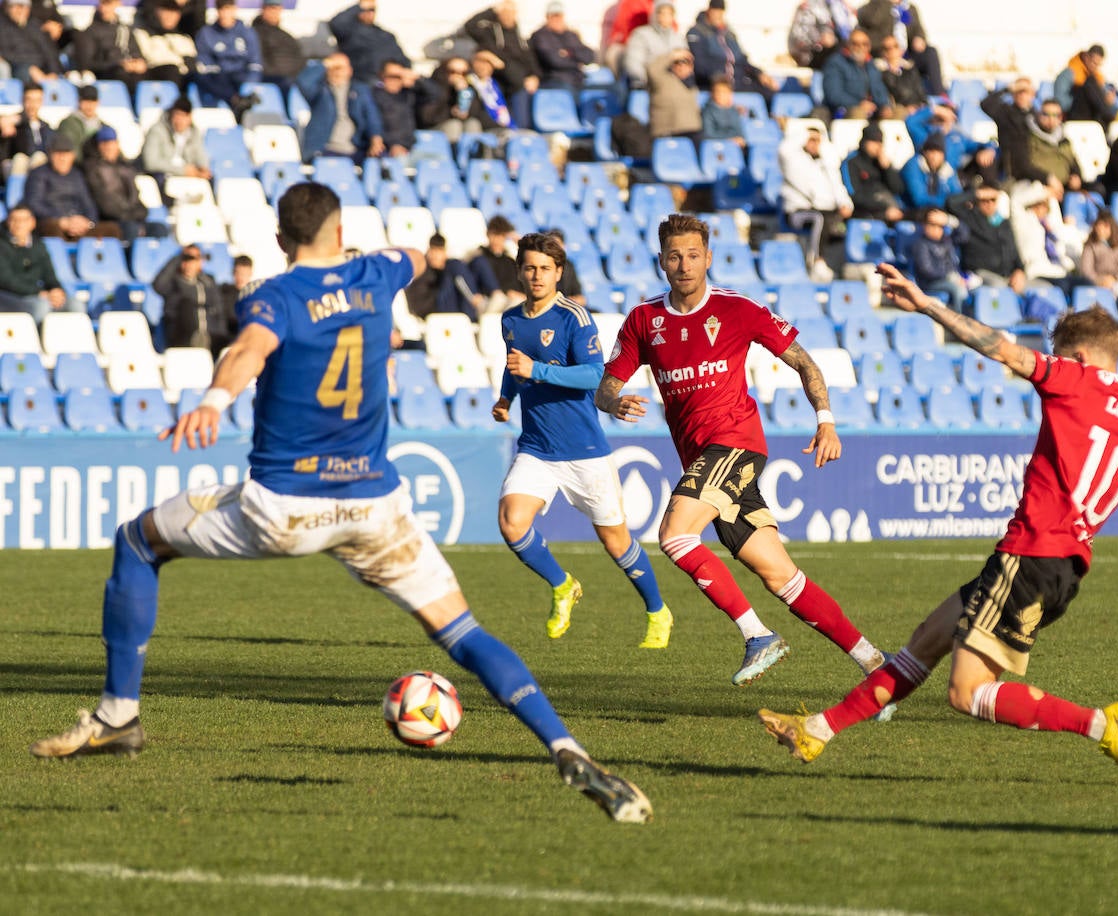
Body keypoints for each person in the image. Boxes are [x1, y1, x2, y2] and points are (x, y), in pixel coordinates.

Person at [27, 183, 652, 824]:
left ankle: (118, 716)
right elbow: (411, 253)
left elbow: (248, 350)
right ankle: (565, 746)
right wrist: (363, 259)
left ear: (278, 241)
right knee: (464, 633)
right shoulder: (376, 272)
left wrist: (214, 401)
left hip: (284, 506)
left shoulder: (273, 295)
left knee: (138, 540)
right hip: (374, 506)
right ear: (341, 230)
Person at [758, 262, 1118, 780]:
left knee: (966, 694)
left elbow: (998, 347)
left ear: (1080, 356)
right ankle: (816, 731)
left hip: (1030, 555)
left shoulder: (1074, 381)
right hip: (1061, 564)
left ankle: (1101, 725)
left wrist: (928, 305)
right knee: (926, 641)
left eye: (1062, 356)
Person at [596, 213, 890, 687]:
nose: (684, 265)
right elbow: (605, 387)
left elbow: (805, 362)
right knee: (780, 576)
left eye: (693, 255)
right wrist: (613, 401)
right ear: (661, 262)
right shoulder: (644, 321)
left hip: (736, 444)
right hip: (703, 462)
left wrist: (826, 421)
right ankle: (875, 662)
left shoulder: (739, 309)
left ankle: (756, 635)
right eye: (674, 256)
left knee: (675, 536)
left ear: (709, 258)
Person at [491, 233, 674, 648]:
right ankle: (562, 584)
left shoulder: (575, 317)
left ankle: (657, 610)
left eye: (545, 269)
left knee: (616, 541)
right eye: (530, 267)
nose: (536, 275)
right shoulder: (510, 320)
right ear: (519, 270)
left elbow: (595, 375)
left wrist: (536, 370)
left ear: (558, 273)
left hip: (584, 451)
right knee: (511, 521)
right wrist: (506, 397)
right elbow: (513, 366)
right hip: (536, 447)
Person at [779, 126, 852, 279]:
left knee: (841, 220)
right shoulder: (793, 159)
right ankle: (817, 261)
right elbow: (783, 150)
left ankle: (842, 265)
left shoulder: (826, 163)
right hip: (796, 212)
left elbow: (837, 186)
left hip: (824, 210)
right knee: (819, 218)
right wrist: (803, 135)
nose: (814, 144)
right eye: (811, 140)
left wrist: (845, 203)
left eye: (818, 140)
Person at [22, 133, 116, 241]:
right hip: (53, 222)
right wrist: (62, 220)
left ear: (72, 155)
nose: (62, 158)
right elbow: (34, 203)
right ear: (50, 155)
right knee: (52, 228)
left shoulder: (77, 175)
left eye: (66, 154)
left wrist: (88, 222)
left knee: (112, 229)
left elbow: (88, 204)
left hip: (79, 224)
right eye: (58, 153)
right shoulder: (38, 174)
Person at [464, 0, 541, 129]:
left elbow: (530, 59)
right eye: (505, 13)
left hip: (520, 84)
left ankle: (521, 133)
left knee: (523, 117)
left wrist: (534, 76)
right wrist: (492, 11)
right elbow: (470, 26)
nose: (508, 16)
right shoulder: (490, 34)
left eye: (511, 12)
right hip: (500, 83)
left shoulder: (520, 36)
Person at [297, 53, 385, 163]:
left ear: (350, 71)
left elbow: (371, 115)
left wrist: (375, 137)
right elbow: (303, 81)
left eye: (340, 68)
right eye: (333, 68)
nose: (337, 72)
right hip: (325, 150)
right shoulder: (320, 91)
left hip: (355, 149)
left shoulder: (360, 90)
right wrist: (327, 63)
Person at [153, 243, 233, 355]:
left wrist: (221, 333)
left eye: (194, 259)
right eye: (186, 259)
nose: (190, 263)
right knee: (188, 305)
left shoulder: (208, 282)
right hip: (183, 336)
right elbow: (158, 285)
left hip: (211, 337)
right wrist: (178, 257)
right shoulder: (173, 283)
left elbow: (219, 311)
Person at [686, 0, 776, 97]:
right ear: (709, 10)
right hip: (715, 84)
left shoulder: (729, 34)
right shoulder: (696, 32)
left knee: (769, 91)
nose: (718, 15)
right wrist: (721, 78)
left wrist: (759, 74)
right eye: (715, 11)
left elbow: (742, 61)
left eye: (721, 12)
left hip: (738, 82)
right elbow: (700, 65)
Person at [953, 181, 1026, 294]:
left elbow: (1014, 251)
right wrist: (977, 193)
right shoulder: (970, 218)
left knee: (1041, 288)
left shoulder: (1004, 223)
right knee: (1000, 288)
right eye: (985, 200)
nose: (989, 204)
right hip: (980, 274)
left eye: (993, 200)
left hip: (1007, 275)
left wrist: (1020, 271)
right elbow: (951, 203)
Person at [193, 0, 261, 117]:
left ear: (234, 9)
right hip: (219, 76)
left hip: (241, 75)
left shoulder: (247, 32)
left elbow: (255, 63)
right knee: (201, 77)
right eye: (221, 9)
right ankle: (236, 100)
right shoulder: (206, 33)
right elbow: (205, 62)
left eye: (227, 9)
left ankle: (241, 102)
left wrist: (249, 83)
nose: (224, 14)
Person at [0, 204, 66, 321]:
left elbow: (50, 276)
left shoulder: (39, 246)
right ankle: (38, 338)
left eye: (23, 220)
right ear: (8, 222)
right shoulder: (2, 245)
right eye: (14, 220)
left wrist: (56, 290)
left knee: (75, 304)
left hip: (36, 295)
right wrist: (39, 293)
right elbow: (6, 281)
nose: (19, 224)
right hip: (10, 297)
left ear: (32, 222)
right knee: (41, 306)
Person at [84, 126, 150, 241]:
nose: (108, 147)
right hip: (111, 219)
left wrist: (140, 213)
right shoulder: (93, 169)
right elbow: (104, 203)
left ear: (117, 144)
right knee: (130, 229)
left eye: (111, 143)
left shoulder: (126, 167)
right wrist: (129, 216)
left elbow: (136, 197)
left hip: (131, 216)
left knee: (158, 228)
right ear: (98, 146)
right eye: (104, 144)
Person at [329, 1, 410, 89]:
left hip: (386, 84)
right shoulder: (349, 32)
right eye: (366, 10)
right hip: (359, 83)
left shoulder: (385, 36)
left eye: (372, 10)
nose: (369, 13)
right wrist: (360, 6)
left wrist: (401, 72)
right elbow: (336, 23)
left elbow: (403, 61)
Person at [73, 0, 149, 90]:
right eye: (102, 3)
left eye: (108, 3)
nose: (103, 8)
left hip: (130, 73)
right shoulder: (89, 32)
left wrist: (139, 63)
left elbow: (137, 53)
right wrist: (118, 64)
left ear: (117, 4)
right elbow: (87, 64)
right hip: (108, 73)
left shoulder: (126, 29)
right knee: (122, 74)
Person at [406, 233, 480, 321]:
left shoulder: (441, 270)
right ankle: (475, 303)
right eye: (433, 251)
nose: (435, 255)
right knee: (455, 265)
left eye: (439, 251)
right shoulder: (422, 268)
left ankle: (475, 304)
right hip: (430, 309)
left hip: (440, 307)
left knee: (461, 267)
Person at [842, 122, 907, 223]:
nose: (878, 146)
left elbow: (898, 189)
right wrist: (883, 208)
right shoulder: (852, 162)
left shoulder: (882, 162)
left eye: (880, 142)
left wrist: (887, 168)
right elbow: (854, 194)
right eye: (874, 142)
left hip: (889, 208)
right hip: (865, 211)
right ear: (865, 142)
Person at [820, 28, 889, 120]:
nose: (861, 47)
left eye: (865, 44)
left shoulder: (871, 65)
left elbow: (880, 90)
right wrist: (859, 104)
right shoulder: (835, 63)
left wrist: (884, 106)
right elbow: (834, 95)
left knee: (897, 112)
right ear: (848, 45)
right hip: (844, 110)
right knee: (858, 113)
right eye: (855, 44)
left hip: (872, 110)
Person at [909, 205, 966, 311]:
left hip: (952, 279)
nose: (936, 229)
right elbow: (926, 270)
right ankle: (958, 322)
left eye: (940, 226)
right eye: (932, 225)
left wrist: (948, 219)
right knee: (958, 289)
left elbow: (964, 234)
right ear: (924, 225)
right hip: (930, 283)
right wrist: (949, 276)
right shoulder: (921, 244)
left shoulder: (947, 241)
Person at [530, 1, 595, 91]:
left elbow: (590, 56)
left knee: (606, 90)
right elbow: (555, 61)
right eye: (554, 16)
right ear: (547, 17)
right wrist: (577, 62)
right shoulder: (540, 36)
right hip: (554, 81)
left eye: (559, 15)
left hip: (578, 79)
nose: (557, 19)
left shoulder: (571, 35)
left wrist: (569, 52)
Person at [134, 0, 198, 89]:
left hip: (184, 78)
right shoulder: (143, 35)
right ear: (157, 12)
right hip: (158, 76)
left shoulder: (185, 39)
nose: (169, 17)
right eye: (166, 12)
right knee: (172, 70)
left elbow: (192, 63)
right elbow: (149, 61)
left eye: (173, 13)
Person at [622, 0, 685, 89]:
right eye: (661, 13)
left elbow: (685, 64)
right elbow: (634, 63)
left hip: (673, 87)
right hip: (648, 86)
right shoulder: (641, 35)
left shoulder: (679, 39)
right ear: (655, 14)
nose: (665, 17)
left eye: (669, 14)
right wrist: (650, 81)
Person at [469, 214, 524, 312]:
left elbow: (516, 287)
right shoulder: (479, 259)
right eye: (494, 234)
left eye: (501, 235)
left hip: (509, 303)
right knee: (499, 299)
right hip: (487, 302)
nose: (497, 239)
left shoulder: (509, 261)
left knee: (518, 301)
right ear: (487, 234)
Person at [0, 0, 62, 85]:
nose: (20, 11)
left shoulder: (36, 26)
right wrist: (30, 68)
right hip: (17, 68)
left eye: (24, 7)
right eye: (16, 6)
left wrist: (54, 72)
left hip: (41, 68)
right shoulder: (2, 27)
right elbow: (5, 54)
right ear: (8, 8)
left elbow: (49, 52)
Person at [1053, 44, 1115, 128]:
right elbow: (1061, 102)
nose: (1095, 67)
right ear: (1086, 57)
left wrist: (1107, 99)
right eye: (1094, 63)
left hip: (1093, 117)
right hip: (1073, 116)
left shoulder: (1096, 77)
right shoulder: (1069, 74)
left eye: (1098, 65)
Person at [252, 0, 305, 97]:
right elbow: (258, 61)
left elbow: (299, 56)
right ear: (263, 9)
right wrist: (282, 73)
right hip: (276, 78)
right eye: (271, 8)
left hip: (296, 75)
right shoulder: (255, 33)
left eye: (277, 9)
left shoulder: (285, 34)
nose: (274, 13)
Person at [646, 48, 701, 140]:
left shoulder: (691, 84)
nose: (681, 66)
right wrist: (672, 55)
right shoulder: (662, 79)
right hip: (667, 130)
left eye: (685, 62)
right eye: (677, 62)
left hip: (692, 131)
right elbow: (652, 69)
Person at [371, 59, 420, 158]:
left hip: (410, 148)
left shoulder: (407, 94)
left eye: (399, 77)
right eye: (391, 76)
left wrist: (418, 79)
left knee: (440, 162)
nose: (396, 80)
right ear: (382, 76)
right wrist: (395, 144)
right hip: (390, 149)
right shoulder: (374, 96)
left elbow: (435, 95)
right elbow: (374, 124)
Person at [787, 0, 853, 71]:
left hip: (841, 61)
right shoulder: (809, 6)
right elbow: (798, 37)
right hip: (817, 63)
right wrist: (820, 40)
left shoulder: (841, 6)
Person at [900, 132, 959, 211]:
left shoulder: (947, 170)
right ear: (924, 152)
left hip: (937, 213)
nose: (934, 157)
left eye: (938, 153)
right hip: (908, 212)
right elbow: (919, 199)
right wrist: (950, 203)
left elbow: (958, 194)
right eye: (931, 151)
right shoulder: (913, 166)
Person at [1077, 212, 1118, 294]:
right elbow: (1086, 269)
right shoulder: (1090, 245)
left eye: (1105, 226)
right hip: (1094, 284)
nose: (1100, 230)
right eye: (1099, 226)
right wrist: (1100, 280)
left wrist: (1114, 279)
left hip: (1116, 283)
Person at [56, 85, 107, 164]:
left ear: (98, 102)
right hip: (79, 167)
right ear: (79, 101)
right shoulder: (68, 123)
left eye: (93, 101)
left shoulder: (103, 125)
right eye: (86, 100)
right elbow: (70, 149)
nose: (89, 105)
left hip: (100, 168)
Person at [701, 76, 746, 145]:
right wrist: (730, 140)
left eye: (724, 92)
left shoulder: (733, 111)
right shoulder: (707, 111)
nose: (720, 95)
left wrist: (739, 140)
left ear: (730, 94)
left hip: (734, 146)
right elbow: (708, 134)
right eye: (718, 91)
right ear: (712, 93)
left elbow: (740, 133)